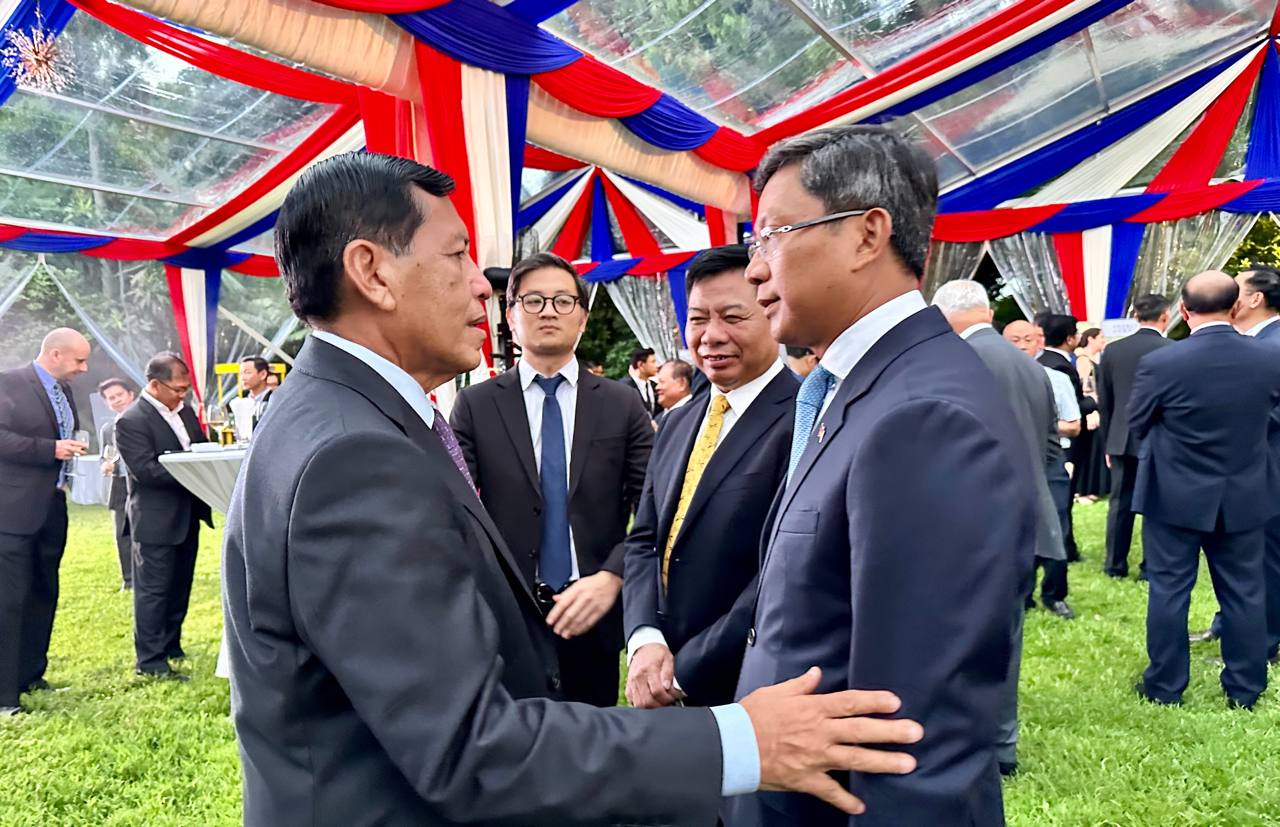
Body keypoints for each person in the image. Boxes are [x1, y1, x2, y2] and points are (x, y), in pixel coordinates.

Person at [222, 152, 923, 826]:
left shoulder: (343, 416)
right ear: (372, 272)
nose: (481, 286)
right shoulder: (356, 453)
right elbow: (472, 747)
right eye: (457, 254)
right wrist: (743, 741)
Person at [731, 125, 1034, 826]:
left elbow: (911, 735)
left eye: (772, 236)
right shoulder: (858, 385)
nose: (754, 270)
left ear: (867, 235)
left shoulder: (924, 415)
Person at [450, 252, 654, 707]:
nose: (548, 311)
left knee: (593, 736)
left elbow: (652, 508)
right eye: (533, 300)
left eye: (563, 301)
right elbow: (456, 507)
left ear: (582, 317)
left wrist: (613, 576)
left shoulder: (621, 404)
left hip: (593, 610)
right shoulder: (476, 405)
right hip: (510, 613)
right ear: (511, 316)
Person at [625, 245, 798, 710]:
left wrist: (686, 668)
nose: (711, 336)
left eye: (733, 317)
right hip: (662, 677)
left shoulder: (805, 419)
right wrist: (644, 638)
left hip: (751, 686)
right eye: (698, 319)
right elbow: (644, 539)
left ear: (772, 312)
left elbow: (783, 571)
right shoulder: (678, 420)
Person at [1131, 272, 1280, 710]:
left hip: (1173, 493)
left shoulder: (1163, 362)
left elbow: (1137, 422)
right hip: (1245, 491)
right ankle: (1245, 686)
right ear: (1235, 307)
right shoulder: (1268, 359)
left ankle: (1164, 685)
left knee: (1169, 589)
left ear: (1183, 310)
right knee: (1245, 590)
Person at [934, 284, 1063, 775]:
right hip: (1026, 519)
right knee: (1007, 635)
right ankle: (1001, 744)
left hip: (969, 525)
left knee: (960, 639)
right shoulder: (1032, 365)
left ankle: (967, 741)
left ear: (946, 314)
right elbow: (1050, 448)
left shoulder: (954, 362)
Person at [0, 329, 90, 715]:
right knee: (9, 600)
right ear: (55, 354)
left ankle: (31, 673)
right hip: (12, 510)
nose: (84, 369)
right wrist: (49, 449)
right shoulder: (9, 383)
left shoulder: (64, 390)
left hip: (52, 505)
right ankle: (4, 695)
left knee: (43, 591)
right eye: (79, 361)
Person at [1193, 269, 1280, 652]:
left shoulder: (1273, 344)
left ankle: (1264, 640)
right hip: (1247, 468)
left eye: (1236, 288)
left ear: (1255, 298)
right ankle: (1229, 622)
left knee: (1265, 558)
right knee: (1241, 557)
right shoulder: (1252, 341)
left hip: (1267, 467)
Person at [114, 353, 212, 680]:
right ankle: (150, 660)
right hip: (155, 519)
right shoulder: (131, 420)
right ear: (155, 385)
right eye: (177, 389)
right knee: (153, 591)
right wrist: (195, 473)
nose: (182, 396)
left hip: (188, 513)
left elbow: (200, 447)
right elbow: (145, 470)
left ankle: (171, 644)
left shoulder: (185, 412)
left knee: (180, 584)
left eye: (186, 390)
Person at [1003, 321, 1077, 620]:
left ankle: (1055, 593)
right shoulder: (992, 377)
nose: (1022, 345)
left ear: (1040, 342)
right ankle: (1022, 593)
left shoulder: (1056, 379)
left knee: (1056, 523)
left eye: (1028, 339)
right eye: (1014, 340)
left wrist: (1033, 424)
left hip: (1050, 459)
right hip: (1011, 462)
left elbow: (1074, 425)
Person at [1095, 295, 1172, 579]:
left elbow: (1106, 400)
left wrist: (1108, 440)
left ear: (1135, 316)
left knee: (1120, 503)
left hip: (1120, 435)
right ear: (1165, 316)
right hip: (1161, 437)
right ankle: (1151, 566)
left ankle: (1114, 564)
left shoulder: (1113, 350)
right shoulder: (1173, 349)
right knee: (1157, 504)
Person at [97, 377, 137, 591]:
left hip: (142, 483)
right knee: (122, 533)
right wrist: (106, 465)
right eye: (111, 398)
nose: (116, 400)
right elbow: (106, 455)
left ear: (131, 394)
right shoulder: (107, 429)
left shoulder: (145, 421)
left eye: (119, 395)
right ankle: (128, 580)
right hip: (120, 486)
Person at [1072, 328, 1108, 501]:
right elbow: (1085, 388)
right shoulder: (1084, 360)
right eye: (1101, 337)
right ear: (1091, 339)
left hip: (1095, 407)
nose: (1104, 340)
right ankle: (1083, 489)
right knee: (1090, 448)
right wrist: (1091, 412)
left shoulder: (1091, 359)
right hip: (1090, 410)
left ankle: (1091, 487)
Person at [229, 356, 274, 441]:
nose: (242, 378)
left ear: (263, 374)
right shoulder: (240, 403)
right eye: (240, 374)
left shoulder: (274, 400)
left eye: (247, 373)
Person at [654, 358, 694, 429]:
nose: (657, 387)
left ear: (681, 383)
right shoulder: (657, 419)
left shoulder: (694, 414)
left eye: (662, 382)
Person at [623, 346, 660, 416]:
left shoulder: (655, 386)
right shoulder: (624, 387)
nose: (656, 365)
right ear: (640, 365)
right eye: (653, 362)